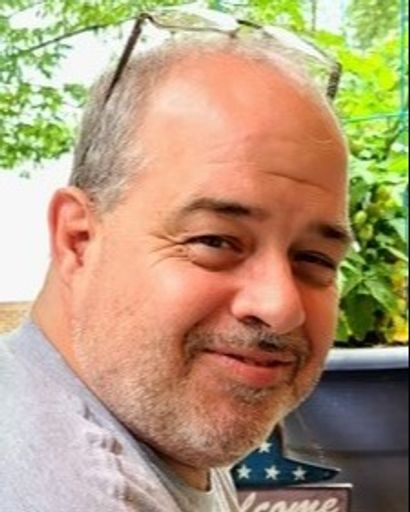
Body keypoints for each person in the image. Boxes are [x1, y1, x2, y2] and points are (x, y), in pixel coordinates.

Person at [0, 7, 351, 512]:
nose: (280, 306)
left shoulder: (149, 423)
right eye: (216, 241)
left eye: (315, 258)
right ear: (78, 239)